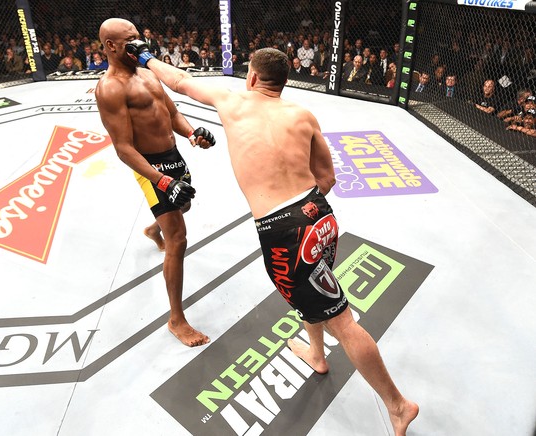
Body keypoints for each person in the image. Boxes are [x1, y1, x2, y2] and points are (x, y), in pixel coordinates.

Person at [130, 42, 419, 435]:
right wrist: (303, 212)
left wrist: (144, 57)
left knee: (344, 323)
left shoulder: (231, 103)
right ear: (284, 81)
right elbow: (328, 179)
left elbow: (179, 80)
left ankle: (398, 405)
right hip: (320, 216)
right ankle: (317, 354)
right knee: (315, 290)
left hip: (286, 231)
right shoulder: (303, 114)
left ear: (251, 77)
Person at [95, 18, 216, 347]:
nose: (139, 45)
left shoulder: (148, 74)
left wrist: (192, 133)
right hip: (149, 165)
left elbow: (172, 113)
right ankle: (176, 319)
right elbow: (123, 148)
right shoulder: (110, 88)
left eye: (139, 37)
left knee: (184, 204)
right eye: (130, 40)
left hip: (174, 154)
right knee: (178, 238)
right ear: (111, 46)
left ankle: (154, 229)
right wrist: (162, 181)